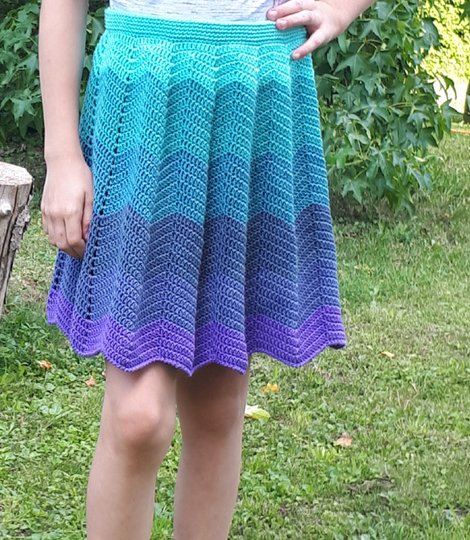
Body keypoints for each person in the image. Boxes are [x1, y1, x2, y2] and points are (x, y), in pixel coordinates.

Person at [39, 0, 377, 538]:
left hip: (256, 92)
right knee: (138, 418)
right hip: (146, 93)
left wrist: (340, 8)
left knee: (217, 407)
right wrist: (62, 156)